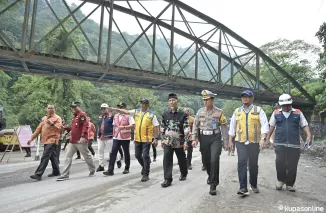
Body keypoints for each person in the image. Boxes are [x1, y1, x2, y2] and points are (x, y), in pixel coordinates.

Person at [266, 94, 312, 192]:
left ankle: (290, 184)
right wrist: (267, 139)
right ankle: (280, 180)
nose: (286, 107)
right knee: (279, 162)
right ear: (280, 105)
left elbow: (304, 125)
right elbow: (271, 127)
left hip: (294, 143)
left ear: (290, 104)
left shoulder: (298, 113)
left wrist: (309, 135)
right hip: (280, 143)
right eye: (284, 105)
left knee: (292, 164)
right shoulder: (276, 113)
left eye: (288, 105)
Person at [228, 90, 269, 196]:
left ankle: (253, 184)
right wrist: (230, 141)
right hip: (240, 141)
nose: (245, 98)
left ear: (252, 98)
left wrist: (263, 138)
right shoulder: (237, 111)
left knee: (253, 164)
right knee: (241, 162)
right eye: (243, 97)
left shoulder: (259, 110)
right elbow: (232, 126)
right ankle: (243, 188)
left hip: (254, 142)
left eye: (247, 96)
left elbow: (264, 125)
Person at [108, 98, 159, 182]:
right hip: (137, 138)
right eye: (141, 103)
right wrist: (114, 109)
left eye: (144, 104)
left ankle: (146, 174)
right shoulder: (136, 112)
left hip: (146, 139)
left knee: (145, 156)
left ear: (147, 105)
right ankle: (144, 166)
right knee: (137, 155)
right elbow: (125, 112)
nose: (143, 105)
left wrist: (156, 138)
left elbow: (156, 127)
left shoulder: (152, 115)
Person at [192, 90, 229, 195]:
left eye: (207, 99)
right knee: (206, 161)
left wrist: (226, 142)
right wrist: (194, 138)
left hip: (215, 138)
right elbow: (195, 125)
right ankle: (210, 175)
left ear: (212, 100)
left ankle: (213, 184)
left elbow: (224, 127)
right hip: (203, 138)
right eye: (204, 100)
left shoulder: (219, 112)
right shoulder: (200, 111)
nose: (205, 102)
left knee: (214, 159)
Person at [57, 101, 96, 181]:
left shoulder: (82, 115)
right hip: (72, 140)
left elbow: (85, 125)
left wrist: (83, 136)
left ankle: (92, 170)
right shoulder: (75, 116)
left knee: (86, 156)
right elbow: (72, 127)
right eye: (72, 107)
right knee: (68, 157)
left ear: (79, 106)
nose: (73, 109)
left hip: (80, 140)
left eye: (75, 107)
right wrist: (65, 128)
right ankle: (65, 174)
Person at [160, 93, 189, 187]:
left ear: (177, 101)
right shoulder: (165, 115)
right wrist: (162, 140)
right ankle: (167, 179)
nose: (172, 102)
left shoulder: (183, 115)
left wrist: (186, 141)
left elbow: (186, 128)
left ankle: (184, 172)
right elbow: (162, 128)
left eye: (173, 100)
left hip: (179, 142)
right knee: (167, 158)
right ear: (168, 102)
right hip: (168, 141)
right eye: (170, 100)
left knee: (181, 158)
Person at [28, 104, 62, 181]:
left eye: (52, 108)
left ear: (54, 109)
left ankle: (38, 174)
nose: (50, 109)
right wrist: (31, 138)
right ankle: (56, 172)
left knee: (45, 157)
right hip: (45, 140)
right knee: (53, 157)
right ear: (46, 109)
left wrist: (52, 124)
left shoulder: (57, 118)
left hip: (53, 140)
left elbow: (60, 128)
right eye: (49, 108)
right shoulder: (44, 118)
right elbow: (38, 129)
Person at [104, 102, 135, 176]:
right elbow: (114, 126)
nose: (120, 108)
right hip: (117, 136)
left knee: (126, 152)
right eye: (119, 107)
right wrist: (114, 134)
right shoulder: (115, 116)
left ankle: (127, 167)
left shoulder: (129, 115)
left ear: (124, 108)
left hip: (125, 137)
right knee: (113, 152)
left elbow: (133, 125)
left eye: (121, 107)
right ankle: (110, 170)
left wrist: (124, 127)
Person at [96, 103, 114, 172]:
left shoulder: (111, 116)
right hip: (101, 136)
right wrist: (98, 134)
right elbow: (99, 126)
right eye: (102, 109)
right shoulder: (100, 117)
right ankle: (101, 165)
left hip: (109, 136)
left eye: (104, 108)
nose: (103, 110)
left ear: (108, 109)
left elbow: (114, 126)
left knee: (111, 151)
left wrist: (113, 134)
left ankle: (117, 160)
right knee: (100, 151)